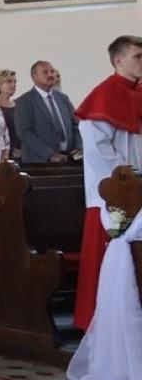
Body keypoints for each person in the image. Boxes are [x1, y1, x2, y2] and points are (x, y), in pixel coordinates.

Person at [73, 35, 142, 330]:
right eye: (138, 56)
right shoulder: (102, 96)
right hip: (113, 196)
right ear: (118, 60)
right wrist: (129, 179)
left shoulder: (138, 93)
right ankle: (106, 323)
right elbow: (98, 149)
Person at [16, 60, 79, 164]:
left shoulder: (63, 98)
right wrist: (50, 155)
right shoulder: (24, 101)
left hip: (69, 159)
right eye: (45, 72)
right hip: (40, 162)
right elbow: (25, 133)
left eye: (52, 71)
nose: (50, 75)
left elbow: (75, 125)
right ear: (34, 77)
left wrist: (78, 148)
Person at [0, 68, 23, 158]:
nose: (13, 84)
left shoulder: (18, 104)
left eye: (15, 82)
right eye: (9, 81)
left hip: (20, 153)